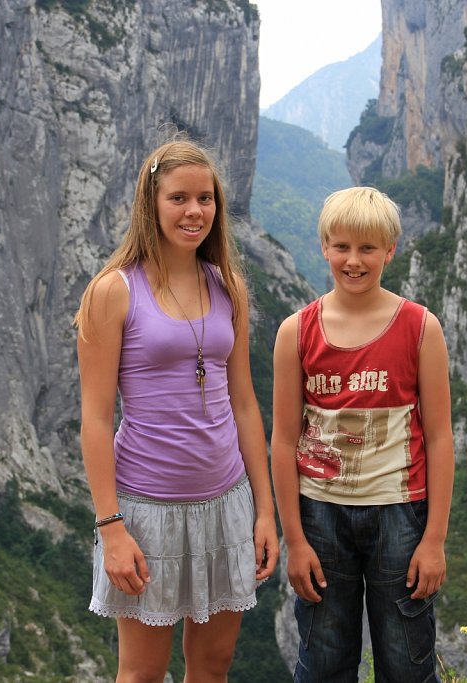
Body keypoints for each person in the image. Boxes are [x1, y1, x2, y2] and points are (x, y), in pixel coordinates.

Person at [73, 138, 279, 683]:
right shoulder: (113, 292)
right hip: (148, 510)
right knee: (142, 673)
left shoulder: (227, 286)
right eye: (179, 198)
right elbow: (94, 419)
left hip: (227, 501)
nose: (195, 212)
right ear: (151, 203)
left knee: (214, 665)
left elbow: (244, 405)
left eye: (206, 199)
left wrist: (263, 510)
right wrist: (111, 527)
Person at [271, 186, 455, 682]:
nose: (354, 261)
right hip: (320, 514)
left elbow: (439, 437)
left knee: (406, 658)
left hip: (400, 512)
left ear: (390, 250)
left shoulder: (420, 328)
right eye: (343, 247)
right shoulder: (297, 331)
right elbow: (284, 440)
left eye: (368, 249)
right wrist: (295, 540)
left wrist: (433, 538)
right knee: (324, 657)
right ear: (324, 246)